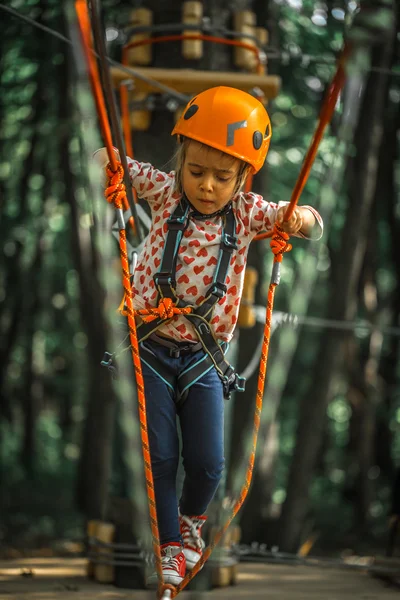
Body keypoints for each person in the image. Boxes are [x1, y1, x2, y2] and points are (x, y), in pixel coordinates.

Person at [94, 86, 323, 586]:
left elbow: (312, 222)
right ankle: (170, 544)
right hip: (150, 346)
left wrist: (298, 220)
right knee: (161, 454)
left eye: (223, 176)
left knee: (208, 464)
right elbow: (107, 160)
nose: (207, 186)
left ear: (244, 176)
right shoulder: (162, 190)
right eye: (196, 171)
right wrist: (109, 168)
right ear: (181, 162)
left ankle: (193, 523)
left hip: (202, 357)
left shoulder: (246, 213)